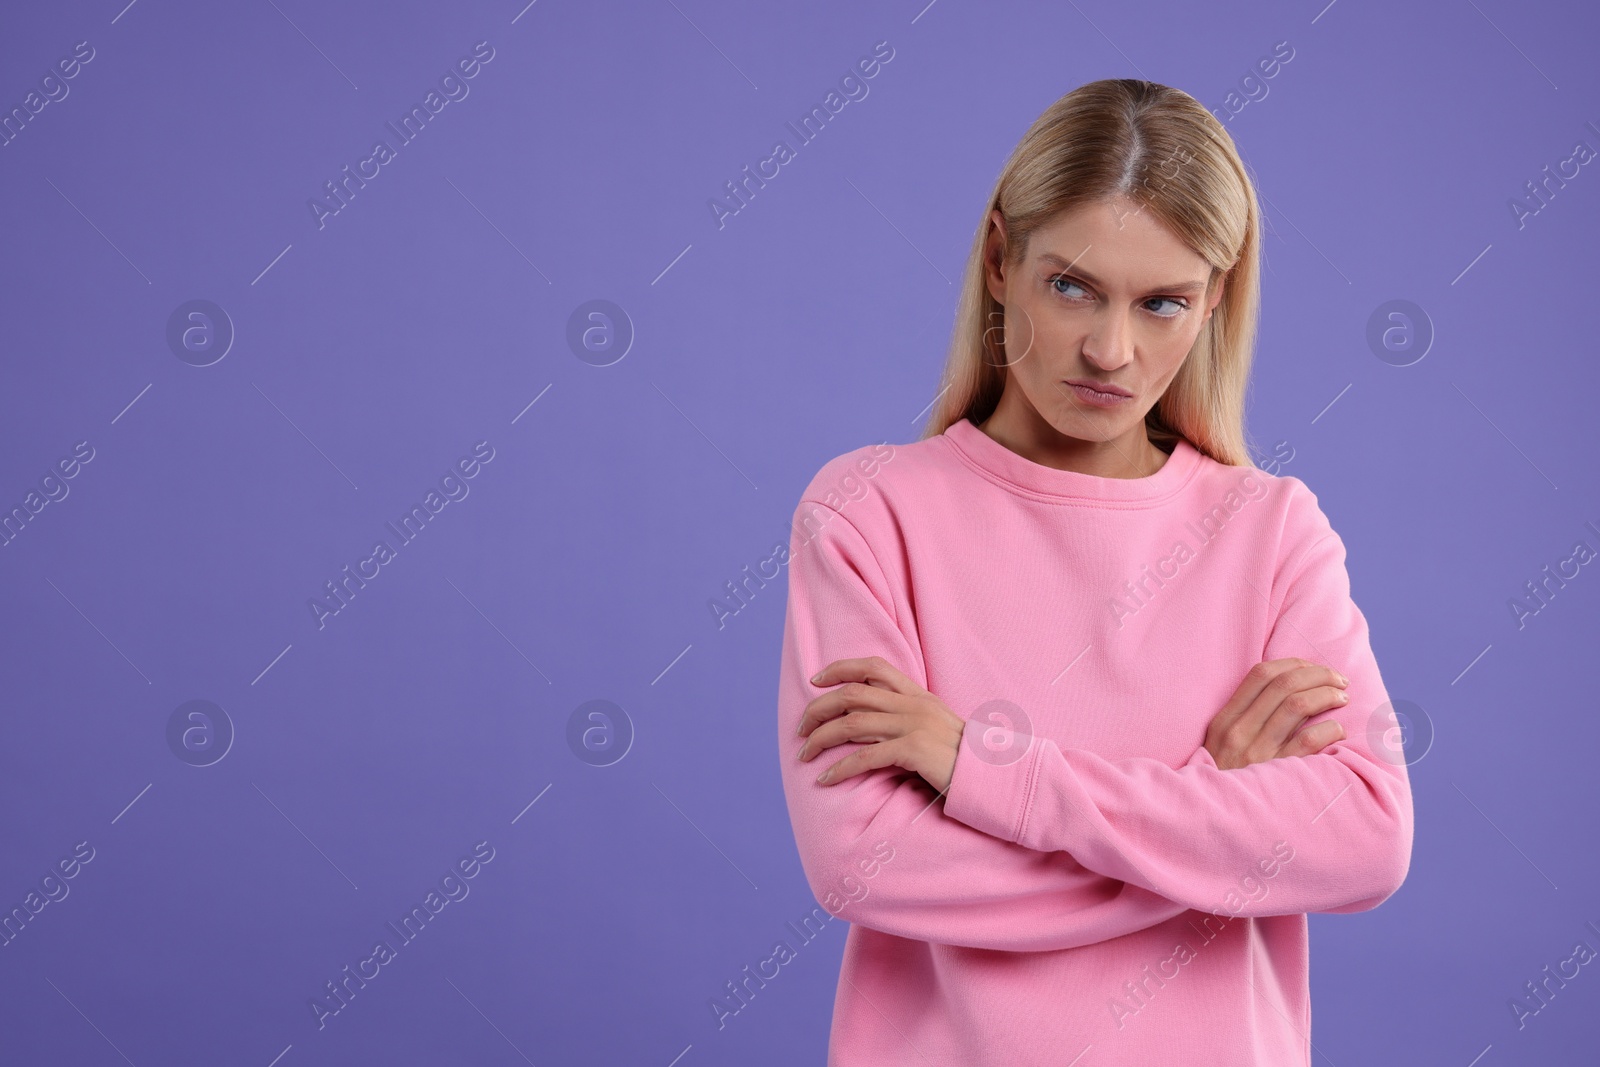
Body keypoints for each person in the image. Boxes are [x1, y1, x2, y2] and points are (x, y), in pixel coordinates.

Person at [775, 78, 1414, 1066]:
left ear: (1214, 301)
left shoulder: (1270, 531)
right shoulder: (868, 514)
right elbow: (862, 864)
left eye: (1161, 302)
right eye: (1071, 285)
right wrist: (1210, 817)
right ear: (998, 260)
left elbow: (1367, 838)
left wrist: (981, 767)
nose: (1109, 350)